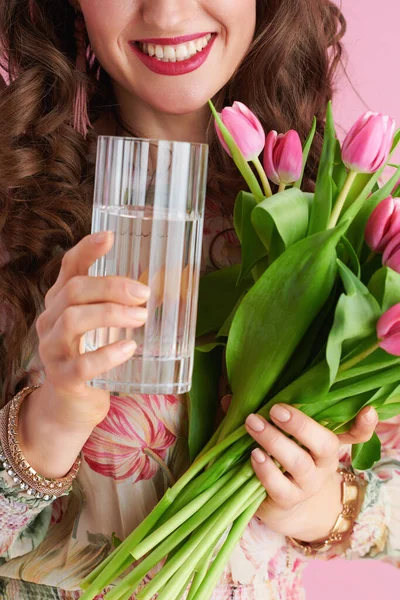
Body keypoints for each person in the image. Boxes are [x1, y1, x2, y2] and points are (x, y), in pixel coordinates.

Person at [0, 1, 398, 598]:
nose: (166, 11)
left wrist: (321, 507)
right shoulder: (13, 212)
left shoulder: (339, 221)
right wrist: (47, 426)